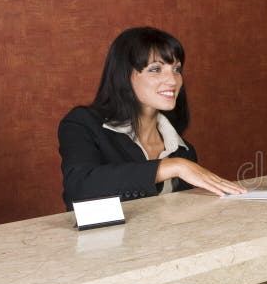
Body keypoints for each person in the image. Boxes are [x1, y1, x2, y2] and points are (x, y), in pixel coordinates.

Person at [58, 26, 244, 210]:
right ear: (124, 75)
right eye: (155, 69)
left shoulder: (183, 151)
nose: (172, 80)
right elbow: (80, 187)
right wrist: (170, 167)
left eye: (176, 69)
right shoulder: (83, 123)